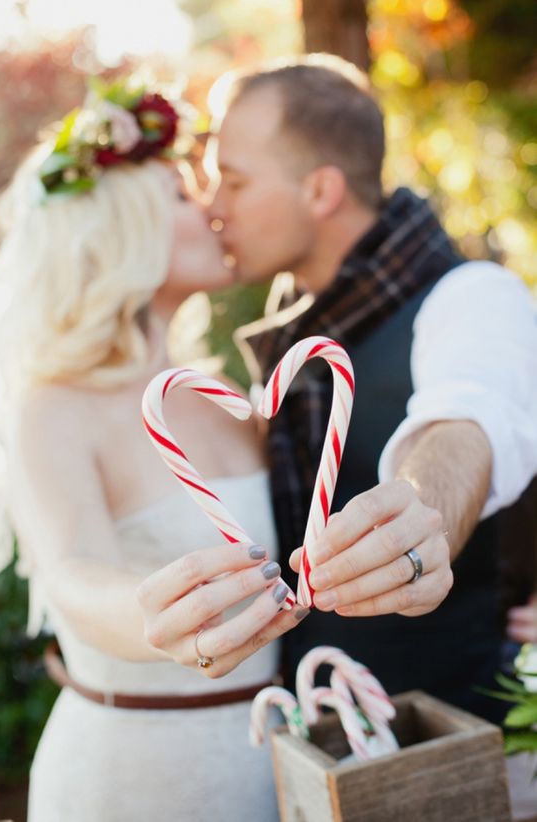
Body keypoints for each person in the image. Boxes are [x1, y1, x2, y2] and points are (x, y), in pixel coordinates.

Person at [136, 54, 537, 734]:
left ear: (320, 191)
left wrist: (419, 514)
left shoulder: (471, 298)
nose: (213, 207)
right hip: (312, 735)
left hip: (452, 743)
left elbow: (465, 422)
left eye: (232, 182)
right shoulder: (297, 329)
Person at [0, 78, 306, 822]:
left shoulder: (221, 394)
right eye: (184, 198)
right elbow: (72, 573)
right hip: (131, 777)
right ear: (127, 232)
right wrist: (157, 617)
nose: (213, 209)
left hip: (268, 764)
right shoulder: (55, 407)